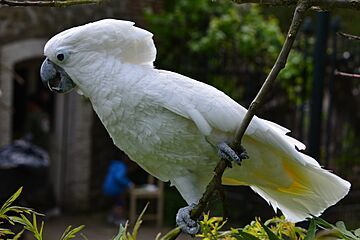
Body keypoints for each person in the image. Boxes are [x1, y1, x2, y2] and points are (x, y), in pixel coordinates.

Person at [103, 159, 133, 225]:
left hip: (108, 187)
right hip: (115, 189)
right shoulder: (122, 166)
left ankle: (112, 218)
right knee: (120, 204)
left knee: (114, 203)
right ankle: (118, 219)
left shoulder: (115, 165)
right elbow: (119, 177)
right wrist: (128, 183)